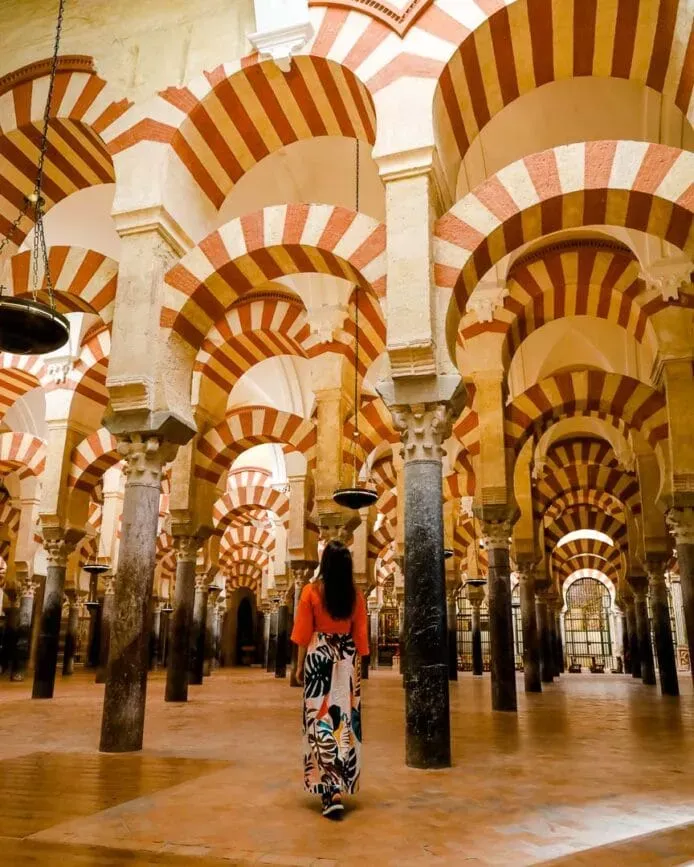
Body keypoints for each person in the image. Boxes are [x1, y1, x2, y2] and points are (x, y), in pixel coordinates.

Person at [291, 540, 369, 820]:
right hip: (346, 659)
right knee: (343, 721)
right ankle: (337, 786)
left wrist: (299, 667)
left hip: (318, 657)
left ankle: (328, 790)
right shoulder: (355, 596)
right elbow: (361, 638)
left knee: (318, 721)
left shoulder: (311, 592)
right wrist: (357, 668)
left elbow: (302, 633)